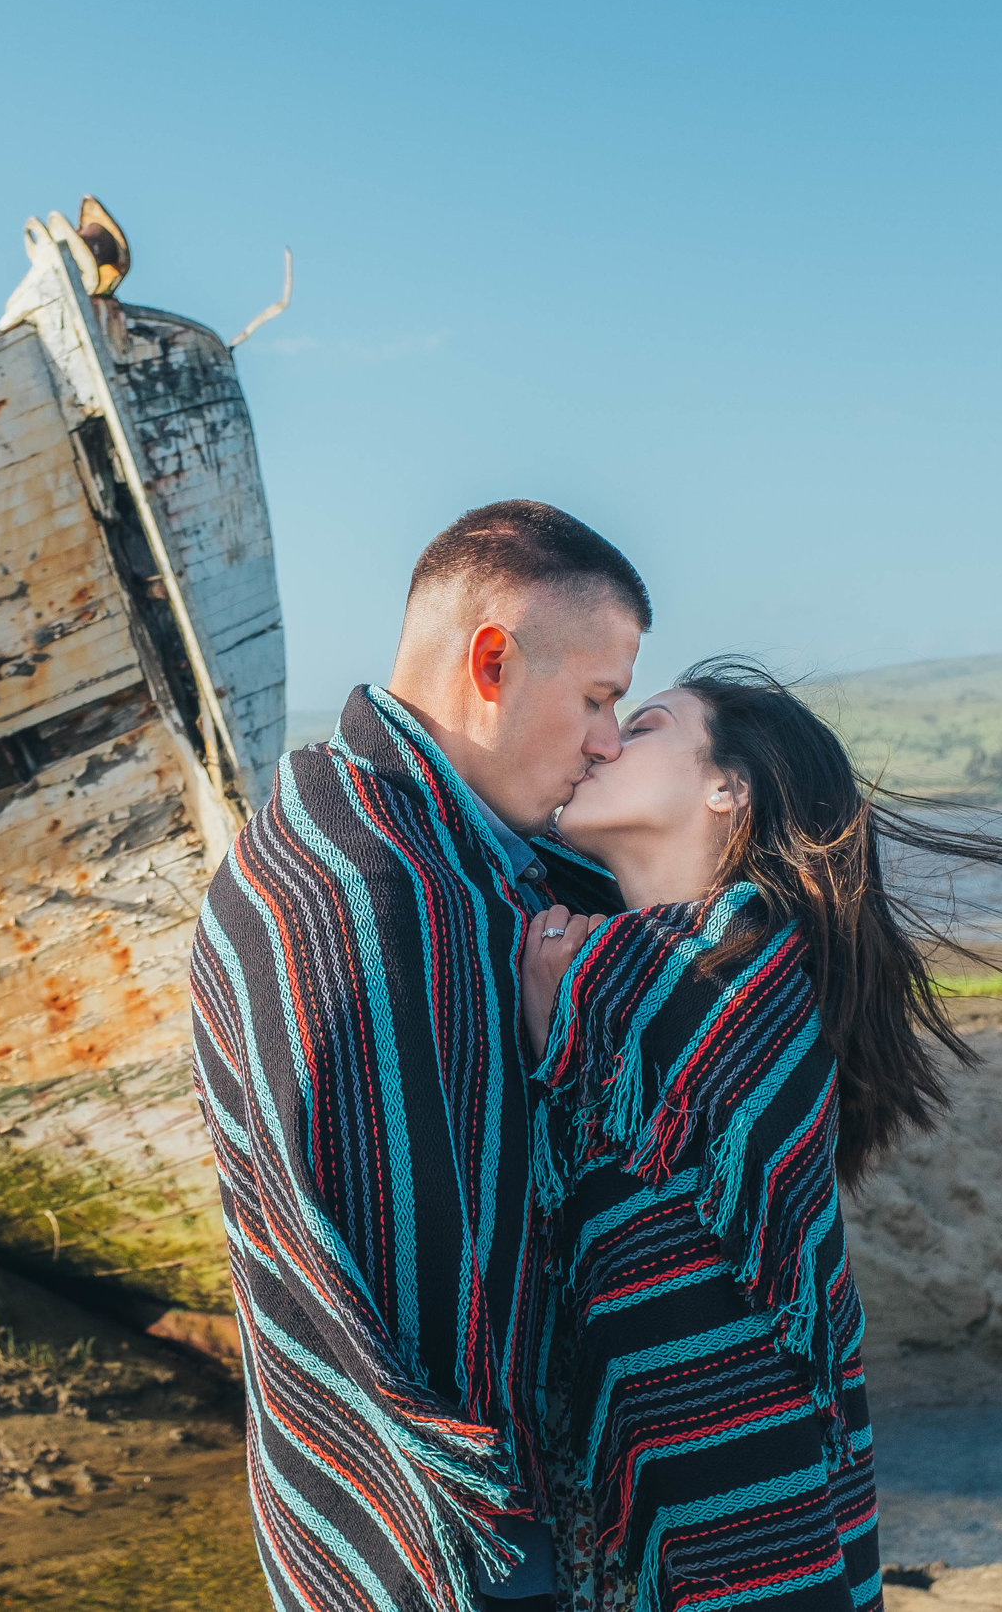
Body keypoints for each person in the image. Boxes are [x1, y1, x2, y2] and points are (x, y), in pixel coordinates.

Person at [516, 659, 1002, 1612]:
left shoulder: (741, 968)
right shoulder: (636, 968)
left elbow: (655, 1258)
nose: (609, 739)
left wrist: (566, 1012)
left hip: (737, 1498)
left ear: (726, 788)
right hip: (674, 1487)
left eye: (649, 723)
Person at [189, 500, 651, 1612]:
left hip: (390, 1504)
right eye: (597, 698)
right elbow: (411, 1282)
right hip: (447, 1529)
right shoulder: (377, 892)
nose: (606, 740)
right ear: (491, 660)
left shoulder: (361, 832)